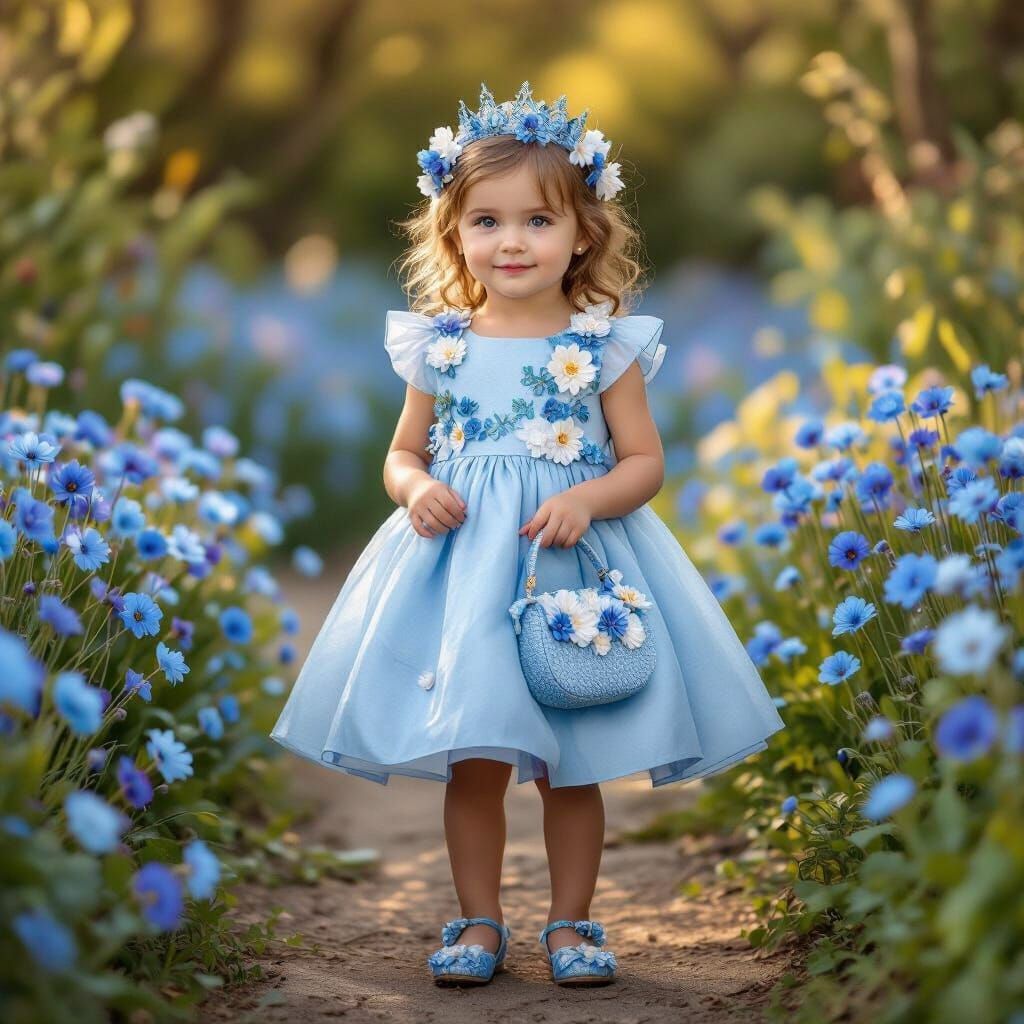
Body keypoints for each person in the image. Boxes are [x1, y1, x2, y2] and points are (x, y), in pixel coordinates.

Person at [269, 81, 785, 989]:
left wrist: (591, 498)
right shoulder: (441, 345)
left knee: (571, 762)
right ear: (454, 232)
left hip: (567, 569)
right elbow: (400, 451)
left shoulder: (603, 344)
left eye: (538, 221)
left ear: (583, 232)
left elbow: (644, 463)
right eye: (488, 221)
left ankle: (573, 922)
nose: (512, 242)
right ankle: (477, 921)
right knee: (476, 758)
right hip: (463, 571)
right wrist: (416, 485)